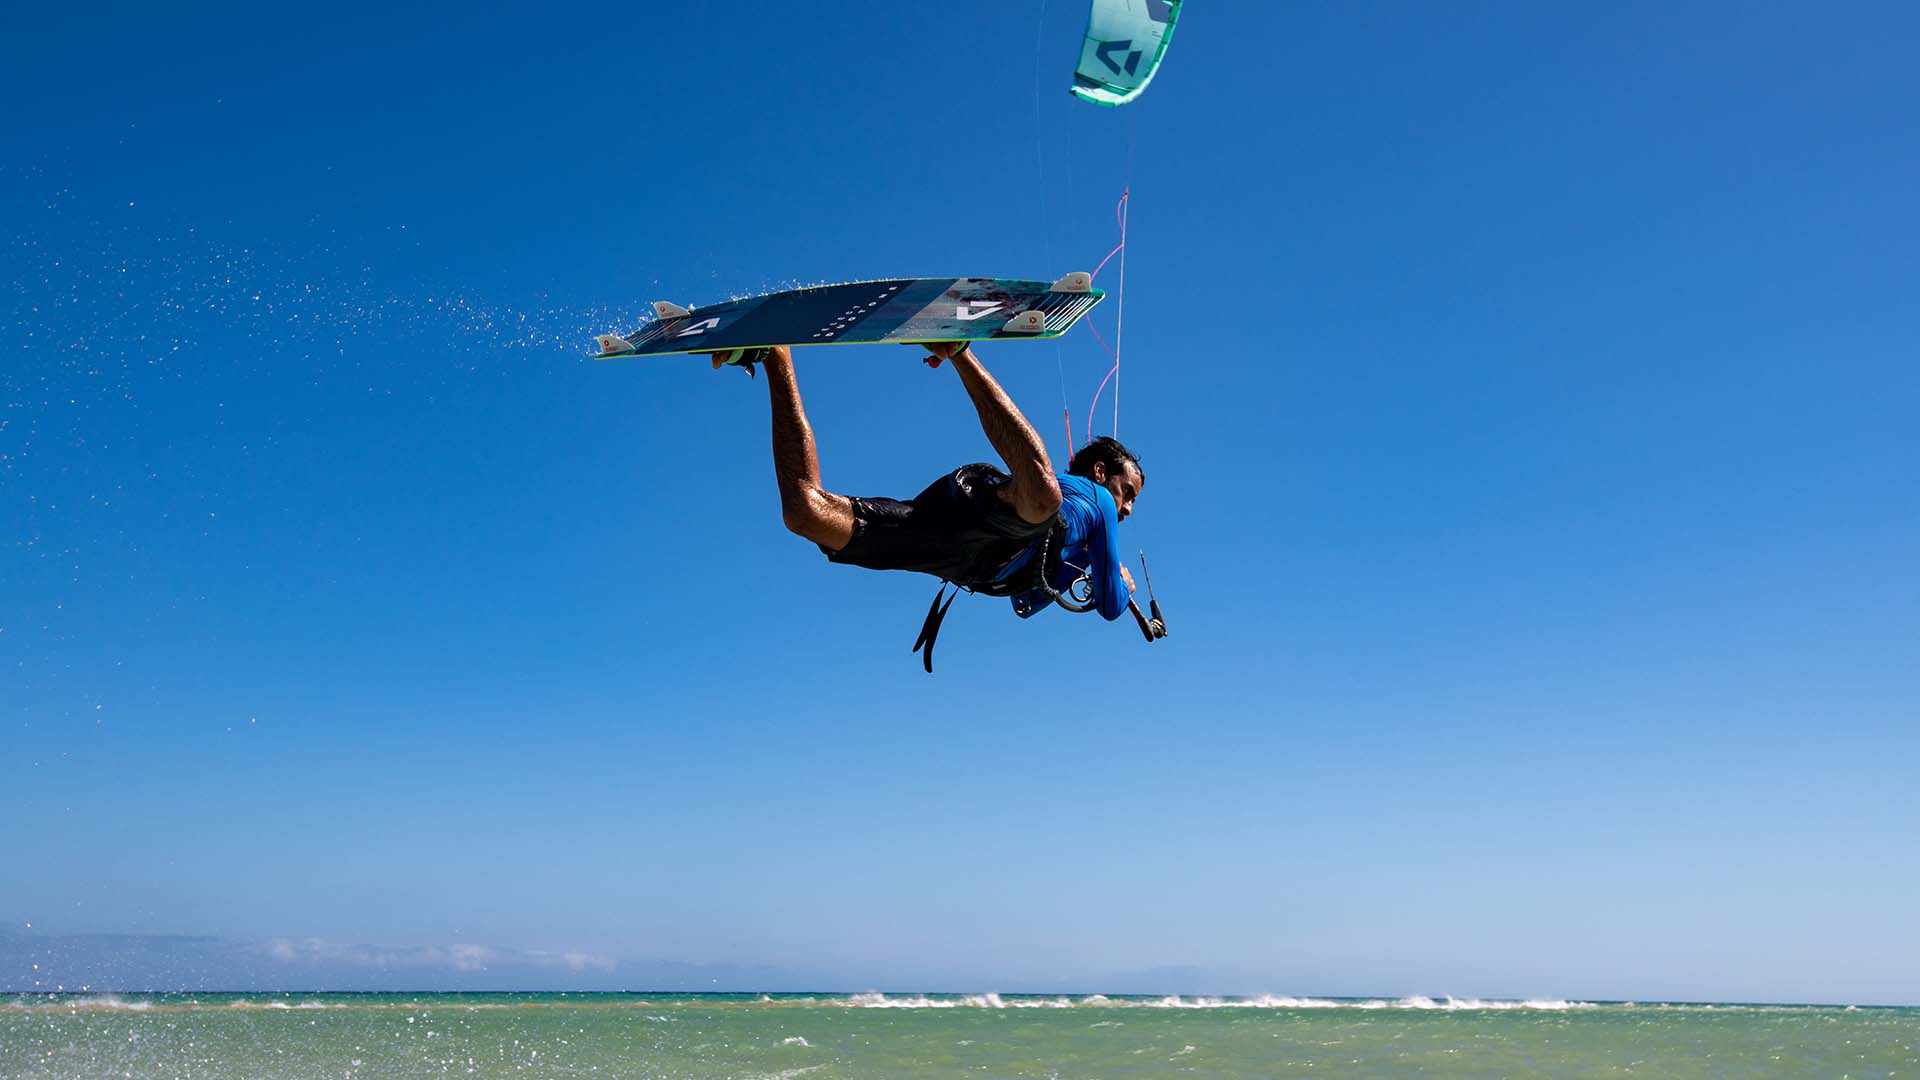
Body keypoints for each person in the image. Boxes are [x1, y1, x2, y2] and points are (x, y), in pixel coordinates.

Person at [716, 342, 1160, 667]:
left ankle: (776, 357)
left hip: (960, 555)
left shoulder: (1077, 547)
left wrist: (1072, 570)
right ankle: (959, 350)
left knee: (805, 513)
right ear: (1101, 474)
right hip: (1001, 510)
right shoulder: (1098, 500)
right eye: (1129, 493)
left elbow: (1024, 604)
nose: (1128, 509)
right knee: (1044, 498)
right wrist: (1123, 584)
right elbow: (1109, 606)